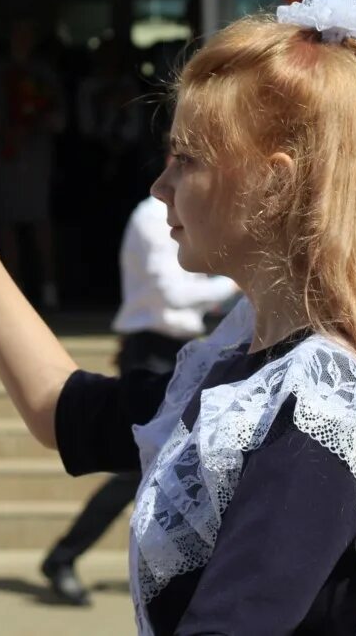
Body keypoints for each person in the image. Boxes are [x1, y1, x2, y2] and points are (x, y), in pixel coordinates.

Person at [0, 0, 356, 633]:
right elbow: (61, 410)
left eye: (186, 160)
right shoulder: (241, 367)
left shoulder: (313, 410)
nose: (160, 186)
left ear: (274, 182)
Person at [40, 194, 237, 606]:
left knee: (184, 466)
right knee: (137, 467)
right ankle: (62, 557)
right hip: (151, 350)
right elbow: (173, 293)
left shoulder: (200, 210)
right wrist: (239, 278)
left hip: (184, 347)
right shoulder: (153, 216)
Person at [0, 18, 66, 308]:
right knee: (5, 220)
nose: (22, 40)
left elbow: (60, 119)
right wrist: (3, 125)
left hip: (35, 155)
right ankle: (14, 289)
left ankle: (49, 287)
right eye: (17, 34)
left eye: (27, 35)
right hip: (3, 156)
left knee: (39, 219)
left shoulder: (45, 74)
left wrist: (33, 122)